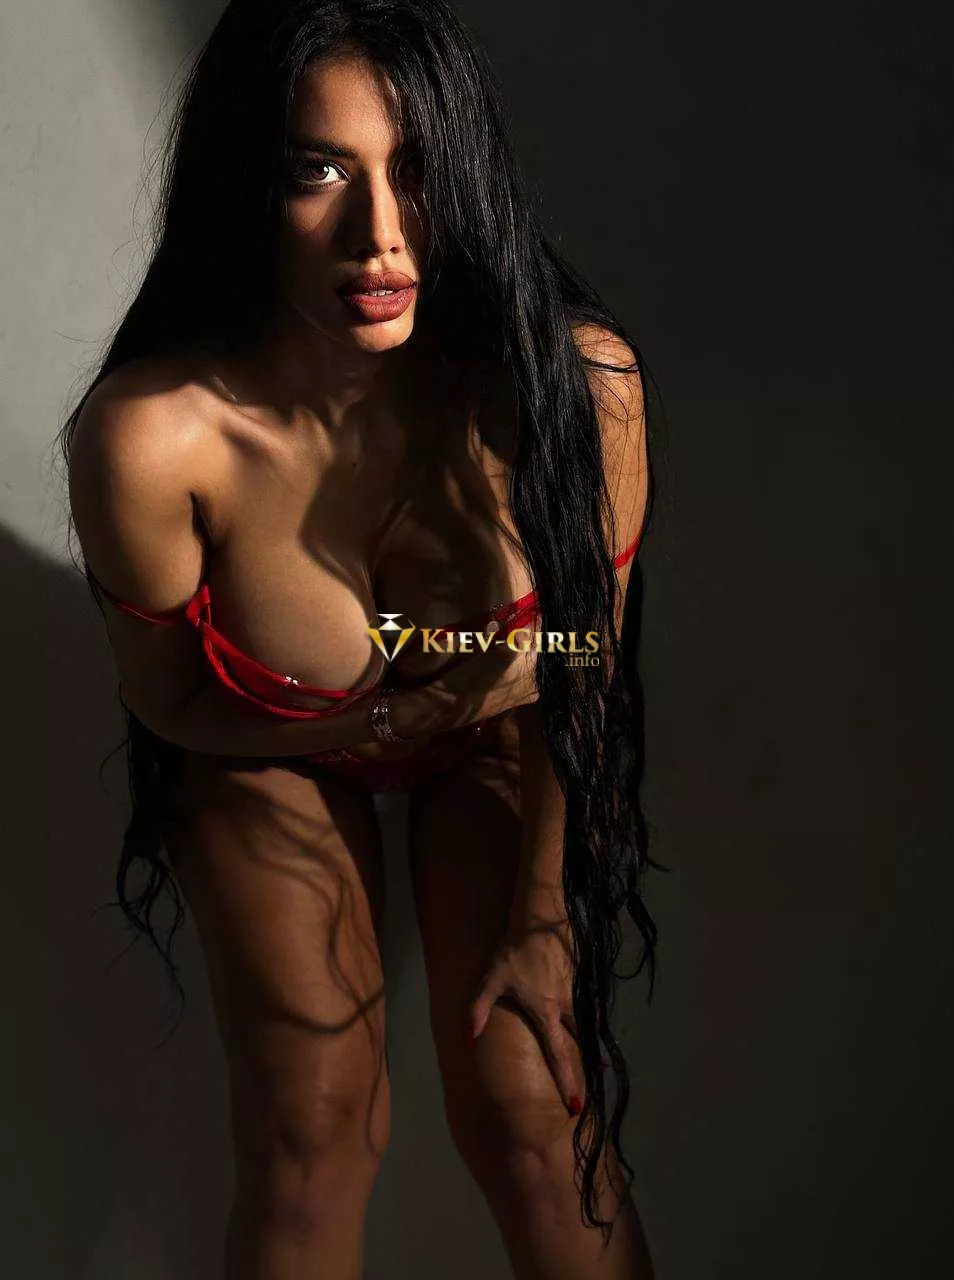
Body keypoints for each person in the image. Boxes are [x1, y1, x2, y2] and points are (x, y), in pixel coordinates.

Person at [59, 2, 663, 1275]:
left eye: (418, 168)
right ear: (243, 181)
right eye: (318, 170)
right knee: (313, 1126)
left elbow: (586, 667)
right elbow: (168, 697)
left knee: (534, 1105)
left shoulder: (574, 386)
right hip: (266, 744)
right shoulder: (156, 437)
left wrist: (544, 919)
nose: (381, 234)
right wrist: (386, 713)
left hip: (507, 745)